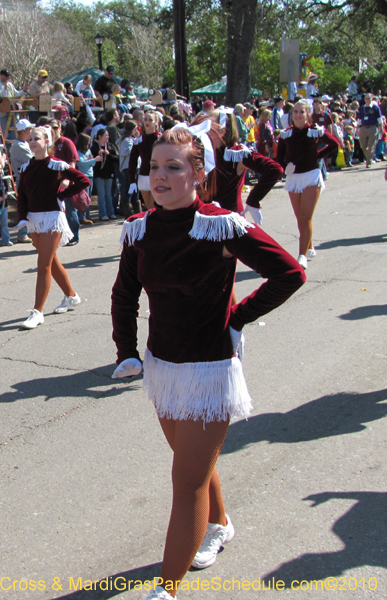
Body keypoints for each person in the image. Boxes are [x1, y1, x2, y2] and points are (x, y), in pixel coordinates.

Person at [111, 126, 306, 600]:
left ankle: (167, 589)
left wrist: (237, 318)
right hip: (163, 367)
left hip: (209, 370)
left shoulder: (220, 224)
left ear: (198, 173)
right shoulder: (140, 229)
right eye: (155, 167)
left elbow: (290, 273)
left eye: (173, 167)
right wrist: (127, 352)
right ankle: (219, 523)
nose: (160, 176)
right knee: (191, 464)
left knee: (185, 482)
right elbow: (124, 295)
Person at [14, 127, 90, 329]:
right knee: (52, 261)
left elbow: (83, 180)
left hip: (53, 218)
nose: (32, 142)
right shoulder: (25, 168)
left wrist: (62, 195)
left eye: (36, 138)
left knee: (43, 265)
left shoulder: (57, 165)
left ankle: (37, 312)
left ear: (47, 141)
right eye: (30, 139)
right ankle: (71, 296)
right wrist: (22, 218)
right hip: (33, 220)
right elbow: (22, 195)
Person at [275, 99, 340, 268]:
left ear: (308, 114)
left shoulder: (315, 131)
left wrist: (318, 155)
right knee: (300, 218)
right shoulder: (285, 134)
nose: (298, 115)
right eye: (295, 112)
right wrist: (284, 167)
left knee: (306, 217)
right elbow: (279, 157)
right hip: (294, 178)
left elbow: (335, 144)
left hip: (311, 175)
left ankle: (301, 255)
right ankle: (309, 245)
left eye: (301, 112)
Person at [200, 112, 283, 225]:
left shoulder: (235, 152)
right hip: (205, 219)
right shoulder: (202, 151)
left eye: (208, 125)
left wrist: (253, 200)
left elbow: (275, 169)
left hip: (229, 221)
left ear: (222, 131)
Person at [129, 110, 162, 211]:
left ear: (156, 122)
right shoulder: (139, 140)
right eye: (145, 119)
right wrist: (132, 181)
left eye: (150, 120)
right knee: (149, 208)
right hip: (143, 177)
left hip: (156, 176)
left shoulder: (160, 138)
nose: (147, 122)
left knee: (154, 207)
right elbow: (132, 161)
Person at [10, 119, 34, 243]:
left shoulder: (22, 143)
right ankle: (22, 233)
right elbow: (32, 159)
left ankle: (27, 231)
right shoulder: (18, 145)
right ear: (24, 131)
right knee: (25, 206)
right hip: (23, 179)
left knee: (29, 206)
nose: (31, 131)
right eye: (29, 129)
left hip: (26, 178)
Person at [91, 129, 119, 221]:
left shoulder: (111, 146)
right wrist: (97, 155)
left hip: (109, 173)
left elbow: (117, 157)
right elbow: (91, 159)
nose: (108, 137)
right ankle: (102, 214)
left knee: (108, 194)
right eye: (105, 135)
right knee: (101, 194)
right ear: (100, 136)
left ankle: (111, 212)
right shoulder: (94, 147)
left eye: (108, 135)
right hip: (98, 173)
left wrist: (109, 154)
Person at [357, 93, 383, 167]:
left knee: (371, 146)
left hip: (372, 128)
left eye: (368, 98)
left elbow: (379, 119)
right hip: (363, 128)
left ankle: (368, 161)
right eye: (366, 98)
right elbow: (359, 119)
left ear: (372, 99)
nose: (367, 100)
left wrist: (381, 128)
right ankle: (369, 158)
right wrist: (357, 129)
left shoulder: (375, 107)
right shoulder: (362, 108)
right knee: (363, 145)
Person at [75, 133, 96, 225]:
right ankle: (82, 217)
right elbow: (81, 163)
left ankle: (87, 216)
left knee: (89, 198)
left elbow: (92, 163)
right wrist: (93, 160)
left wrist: (91, 160)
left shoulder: (88, 151)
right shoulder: (79, 152)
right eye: (87, 142)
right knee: (83, 198)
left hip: (90, 175)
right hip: (83, 176)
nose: (89, 144)